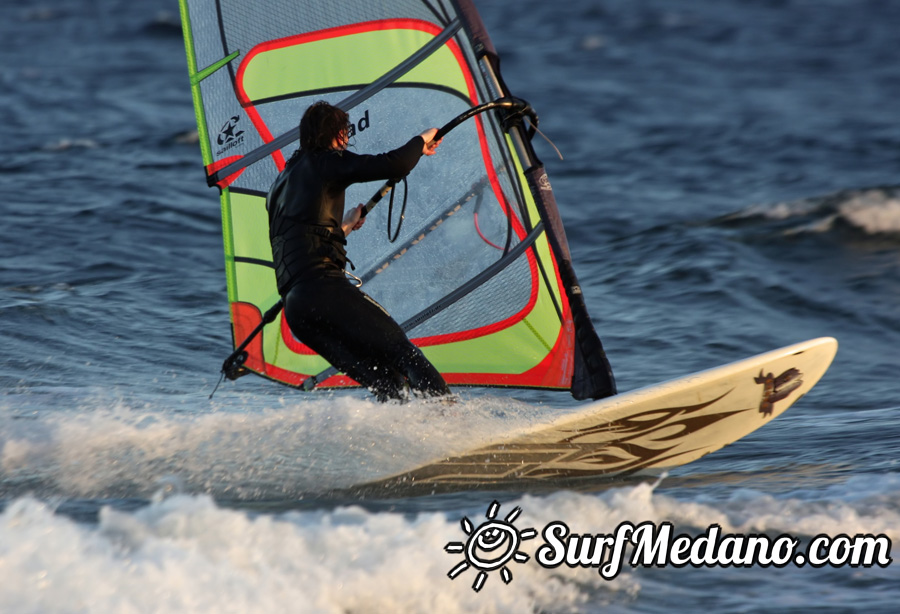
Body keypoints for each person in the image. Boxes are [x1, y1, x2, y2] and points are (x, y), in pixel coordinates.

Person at [267, 101, 451, 402]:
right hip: (324, 290)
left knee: (389, 384)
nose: (345, 141)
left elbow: (300, 240)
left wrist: (346, 226)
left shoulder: (279, 184)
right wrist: (423, 138)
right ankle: (452, 422)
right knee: (404, 354)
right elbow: (395, 164)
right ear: (337, 134)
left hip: (297, 310)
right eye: (345, 133)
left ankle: (408, 440)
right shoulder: (325, 160)